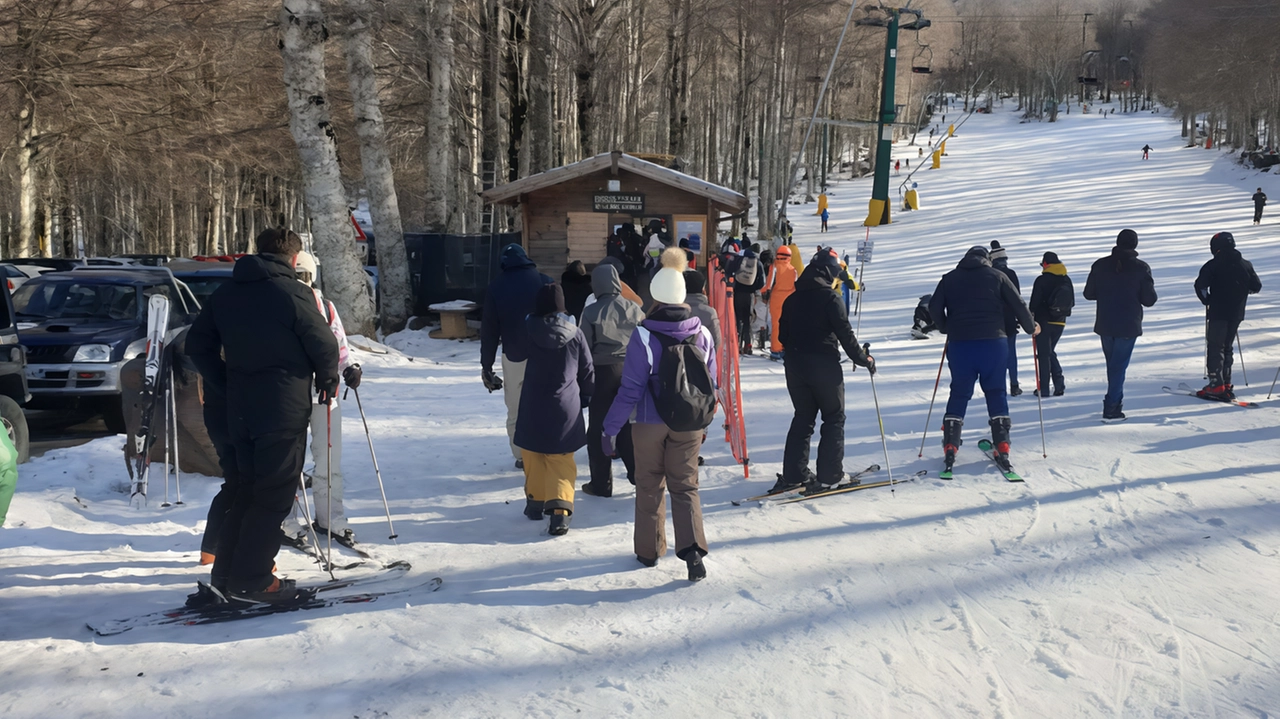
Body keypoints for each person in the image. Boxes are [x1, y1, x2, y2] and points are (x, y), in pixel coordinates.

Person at [186, 228, 339, 603]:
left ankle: (227, 573)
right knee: (273, 493)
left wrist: (223, 381)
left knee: (244, 488)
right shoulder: (292, 293)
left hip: (239, 407)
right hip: (281, 407)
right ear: (292, 259)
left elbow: (197, 346)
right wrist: (328, 378)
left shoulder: (226, 294)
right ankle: (252, 578)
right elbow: (323, 343)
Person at [603, 248, 714, 581]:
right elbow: (712, 384)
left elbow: (630, 390)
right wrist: (704, 422)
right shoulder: (703, 333)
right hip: (689, 423)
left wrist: (609, 429)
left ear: (655, 295)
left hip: (649, 422)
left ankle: (648, 550)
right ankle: (693, 551)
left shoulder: (643, 335)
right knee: (686, 486)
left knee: (649, 485)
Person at [772, 248, 875, 493]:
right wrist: (864, 360)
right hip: (824, 366)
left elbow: (782, 335)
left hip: (795, 365)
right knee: (833, 417)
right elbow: (846, 336)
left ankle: (794, 474)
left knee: (803, 417)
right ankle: (830, 475)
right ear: (829, 273)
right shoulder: (830, 299)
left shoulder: (792, 299)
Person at [928, 245, 1037, 472]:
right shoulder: (998, 276)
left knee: (959, 391)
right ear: (986, 259)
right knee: (996, 391)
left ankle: (950, 444)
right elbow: (1018, 304)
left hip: (960, 344)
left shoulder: (949, 279)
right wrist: (1031, 327)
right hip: (993, 343)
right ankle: (1002, 444)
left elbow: (933, 307)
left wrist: (946, 327)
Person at [289, 251, 362, 542]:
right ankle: (286, 517)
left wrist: (350, 367)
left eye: (305, 276)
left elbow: (339, 345)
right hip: (290, 392)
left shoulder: (326, 307)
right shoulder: (281, 306)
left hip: (324, 392)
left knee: (328, 456)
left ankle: (330, 516)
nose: (302, 282)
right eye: (296, 276)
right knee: (289, 459)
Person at [514, 283, 593, 535]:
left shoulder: (528, 330)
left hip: (533, 402)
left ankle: (536, 502)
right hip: (565, 404)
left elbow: (515, 354)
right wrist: (587, 394)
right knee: (560, 457)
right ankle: (559, 512)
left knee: (533, 452)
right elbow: (587, 369)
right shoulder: (576, 333)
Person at [480, 244, 552, 469]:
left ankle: (521, 454)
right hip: (546, 353)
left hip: (514, 353)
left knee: (515, 407)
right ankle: (547, 448)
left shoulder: (496, 287)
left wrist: (486, 365)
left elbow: (490, 330)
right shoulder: (544, 280)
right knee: (546, 402)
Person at [580, 263, 645, 497]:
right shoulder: (635, 308)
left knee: (598, 427)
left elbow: (584, 348)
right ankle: (637, 474)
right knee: (627, 424)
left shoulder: (590, 312)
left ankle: (601, 483)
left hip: (602, 373)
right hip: (632, 371)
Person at [1082, 229, 1158, 421]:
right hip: (1128, 324)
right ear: (1135, 245)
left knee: (1114, 365)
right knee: (1118, 366)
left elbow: (1088, 293)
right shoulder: (1141, 268)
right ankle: (1112, 407)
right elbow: (1149, 300)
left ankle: (1114, 402)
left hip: (1106, 322)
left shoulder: (1100, 265)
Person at [1194, 231, 1261, 400]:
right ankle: (1226, 383)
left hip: (1218, 311)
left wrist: (1206, 300)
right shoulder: (1245, 264)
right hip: (1236, 312)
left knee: (1216, 346)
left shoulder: (1213, 265)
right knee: (1227, 346)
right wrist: (1241, 292)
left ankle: (1216, 385)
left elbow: (1200, 285)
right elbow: (1256, 286)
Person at [1028, 252, 1074, 397]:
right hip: (1060, 321)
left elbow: (1034, 303)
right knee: (1049, 352)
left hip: (1043, 322)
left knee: (1044, 355)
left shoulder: (1042, 280)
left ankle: (1044, 389)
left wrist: (1029, 318)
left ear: (1046, 264)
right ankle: (1059, 385)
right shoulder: (1066, 279)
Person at [988, 241, 1022, 396]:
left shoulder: (989, 275)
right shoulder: (1012, 274)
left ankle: (998, 385)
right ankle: (1014, 384)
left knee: (995, 356)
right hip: (1009, 319)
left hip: (993, 321)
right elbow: (1017, 299)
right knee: (1011, 353)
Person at [726, 243, 764, 355]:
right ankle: (747, 345)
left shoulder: (738, 259)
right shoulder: (758, 262)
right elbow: (762, 282)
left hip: (737, 294)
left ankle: (735, 344)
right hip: (750, 295)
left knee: (737, 319)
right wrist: (753, 288)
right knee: (748, 321)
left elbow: (728, 272)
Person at [764, 244, 799, 360]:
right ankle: (786, 348)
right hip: (790, 299)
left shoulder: (774, 267)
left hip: (776, 299)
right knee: (788, 324)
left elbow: (768, 285)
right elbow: (796, 285)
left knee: (776, 324)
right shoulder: (793, 270)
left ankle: (776, 350)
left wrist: (763, 292)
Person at [684, 270, 722, 352]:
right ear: (703, 289)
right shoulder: (709, 313)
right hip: (702, 360)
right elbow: (716, 341)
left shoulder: (673, 310)